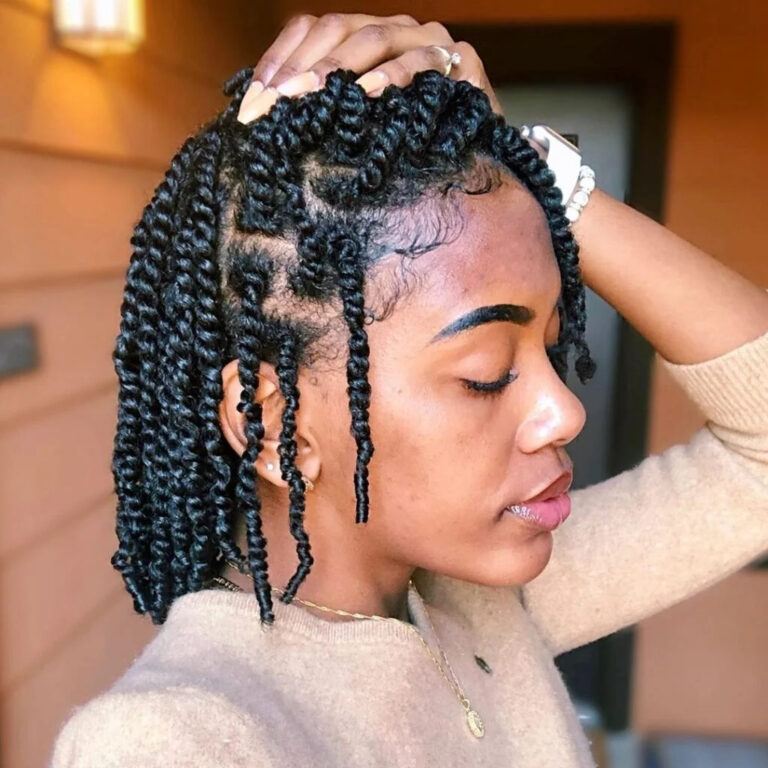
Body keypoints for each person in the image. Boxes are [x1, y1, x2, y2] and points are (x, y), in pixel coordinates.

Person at [48, 14, 768, 768]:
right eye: (485, 373)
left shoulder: (476, 603)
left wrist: (537, 170)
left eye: (553, 347)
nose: (564, 411)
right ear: (276, 424)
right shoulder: (178, 740)